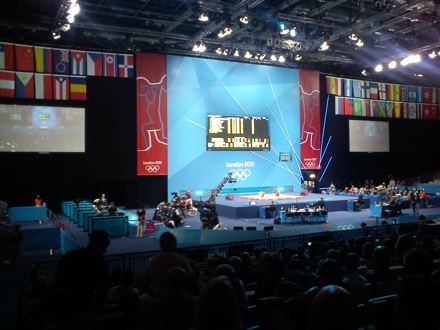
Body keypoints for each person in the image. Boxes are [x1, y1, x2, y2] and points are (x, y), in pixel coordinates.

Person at [54, 229, 111, 313]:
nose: (105, 250)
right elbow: (102, 293)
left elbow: (57, 279)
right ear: (101, 245)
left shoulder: (69, 256)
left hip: (63, 308)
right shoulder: (101, 264)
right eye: (106, 246)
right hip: (85, 309)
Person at [143, 232, 193, 299]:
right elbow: (191, 280)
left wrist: (156, 296)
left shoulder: (153, 261)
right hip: (181, 301)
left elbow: (145, 284)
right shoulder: (181, 260)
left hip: (161, 302)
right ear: (174, 244)